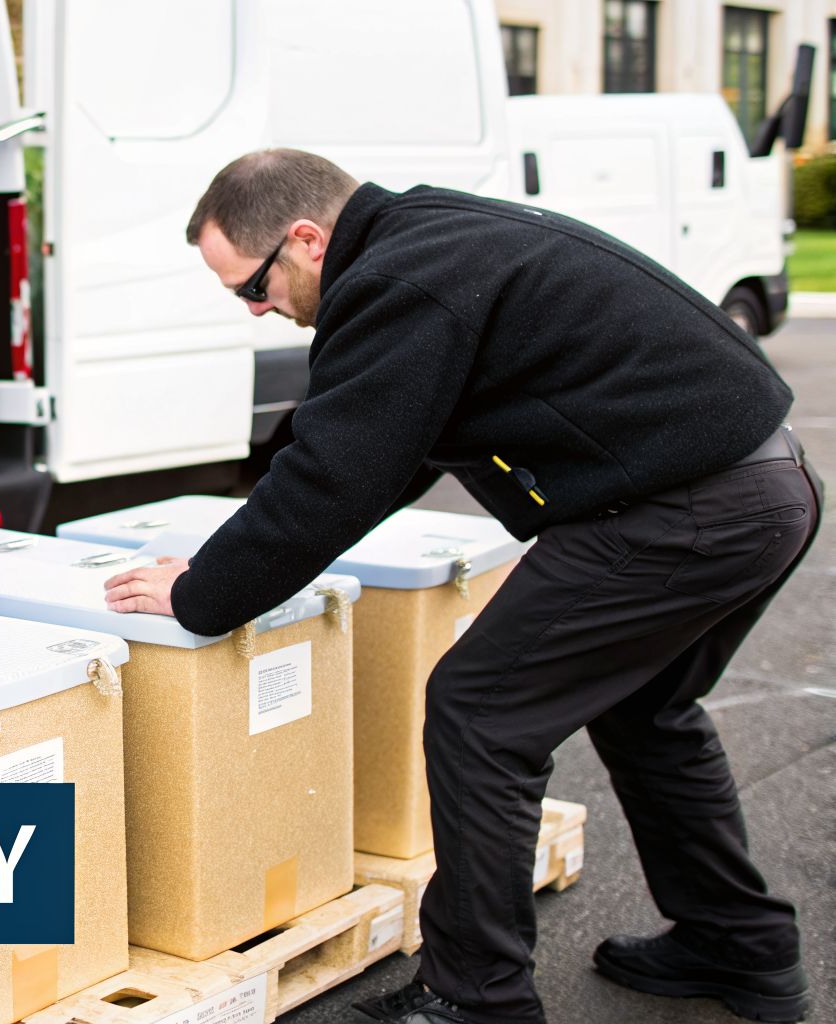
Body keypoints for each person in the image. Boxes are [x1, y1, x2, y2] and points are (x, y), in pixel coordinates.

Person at [100, 149, 817, 1024]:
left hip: (685, 511)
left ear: (306, 238)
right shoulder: (425, 244)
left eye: (253, 285)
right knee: (646, 710)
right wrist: (235, 542)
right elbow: (378, 442)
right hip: (758, 488)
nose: (258, 310)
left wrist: (200, 593)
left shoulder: (403, 280)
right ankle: (739, 947)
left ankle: (477, 998)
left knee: (481, 713)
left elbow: (341, 477)